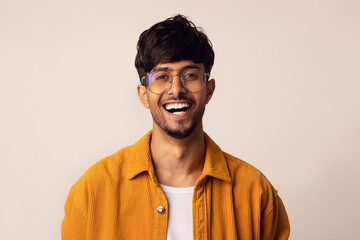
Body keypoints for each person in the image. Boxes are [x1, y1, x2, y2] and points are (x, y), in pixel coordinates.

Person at [61, 14, 290, 240]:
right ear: (143, 95)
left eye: (190, 75)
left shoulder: (255, 192)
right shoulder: (93, 191)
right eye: (162, 76)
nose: (176, 89)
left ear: (208, 90)